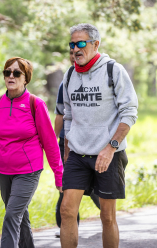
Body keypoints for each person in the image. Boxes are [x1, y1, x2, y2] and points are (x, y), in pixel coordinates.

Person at [0, 57, 63, 248]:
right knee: (20, 217)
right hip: (3, 170)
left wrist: (59, 175)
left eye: (16, 73)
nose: (11, 76)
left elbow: (50, 142)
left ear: (26, 79)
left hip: (28, 170)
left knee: (11, 216)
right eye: (7, 72)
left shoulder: (35, 104)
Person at [60, 23, 138, 248]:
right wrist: (67, 150)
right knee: (66, 211)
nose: (75, 49)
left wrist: (111, 147)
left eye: (81, 43)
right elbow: (68, 115)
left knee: (107, 216)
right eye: (72, 44)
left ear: (96, 44)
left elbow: (129, 113)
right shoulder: (70, 74)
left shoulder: (114, 70)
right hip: (77, 155)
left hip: (108, 155)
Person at [53, 49, 100, 238]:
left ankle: (107, 214)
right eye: (72, 54)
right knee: (65, 188)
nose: (75, 56)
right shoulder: (66, 82)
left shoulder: (99, 81)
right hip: (67, 143)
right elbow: (59, 115)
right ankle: (67, 226)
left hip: (92, 143)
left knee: (96, 189)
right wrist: (51, 143)